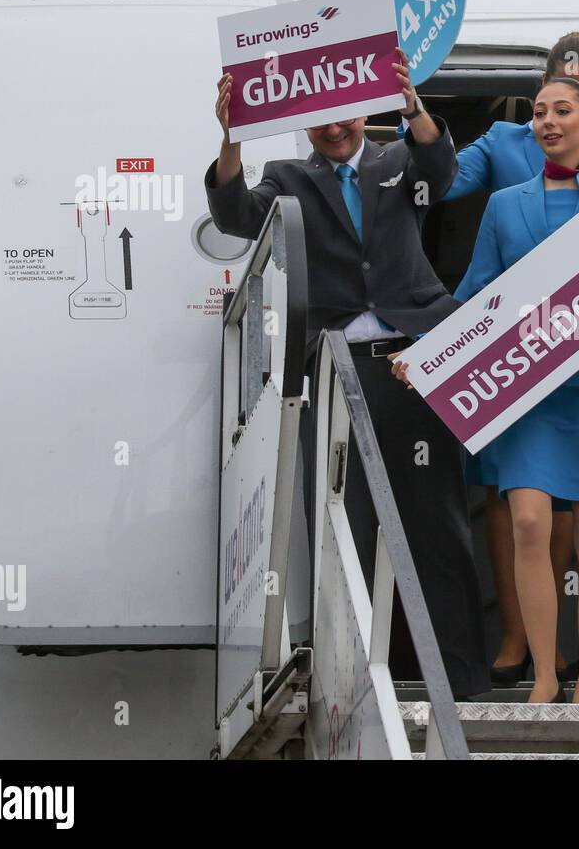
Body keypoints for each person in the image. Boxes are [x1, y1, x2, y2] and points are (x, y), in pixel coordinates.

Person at [206, 49, 490, 700]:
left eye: (346, 117)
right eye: (321, 123)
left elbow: (440, 167)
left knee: (436, 523)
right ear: (306, 127)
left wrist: (412, 103)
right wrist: (231, 134)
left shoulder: (398, 164)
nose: (335, 130)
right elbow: (235, 217)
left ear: (366, 110)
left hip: (414, 368)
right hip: (335, 374)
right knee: (346, 529)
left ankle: (461, 680)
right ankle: (365, 680)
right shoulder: (287, 177)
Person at [398, 77, 579, 704]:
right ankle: (545, 674)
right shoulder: (505, 205)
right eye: (538, 113)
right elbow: (477, 295)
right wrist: (428, 353)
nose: (547, 122)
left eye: (563, 111)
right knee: (528, 521)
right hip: (526, 388)